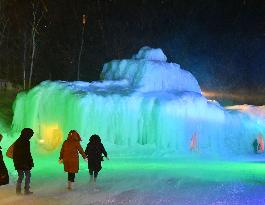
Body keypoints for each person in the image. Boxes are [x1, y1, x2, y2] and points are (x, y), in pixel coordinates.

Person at [13, 128, 34, 195]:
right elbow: (26, 153)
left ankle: (18, 191)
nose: (31, 137)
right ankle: (26, 190)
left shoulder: (18, 141)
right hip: (24, 162)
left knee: (21, 176)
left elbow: (17, 154)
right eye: (30, 135)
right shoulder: (25, 142)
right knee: (27, 175)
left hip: (18, 162)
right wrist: (29, 162)